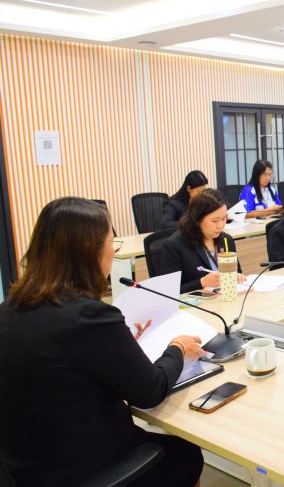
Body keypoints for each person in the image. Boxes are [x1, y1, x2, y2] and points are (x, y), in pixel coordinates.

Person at [0, 197, 206, 487]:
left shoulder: (10, 308)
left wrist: (118, 343)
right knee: (187, 454)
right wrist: (178, 349)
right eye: (113, 242)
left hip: (25, 466)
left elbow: (64, 363)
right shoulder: (89, 316)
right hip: (85, 468)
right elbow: (150, 391)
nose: (113, 250)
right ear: (89, 252)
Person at [161, 189, 245, 293]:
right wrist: (201, 283)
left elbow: (238, 272)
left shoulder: (226, 240)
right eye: (215, 221)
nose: (220, 225)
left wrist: (237, 276)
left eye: (224, 219)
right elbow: (169, 291)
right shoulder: (175, 246)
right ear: (197, 219)